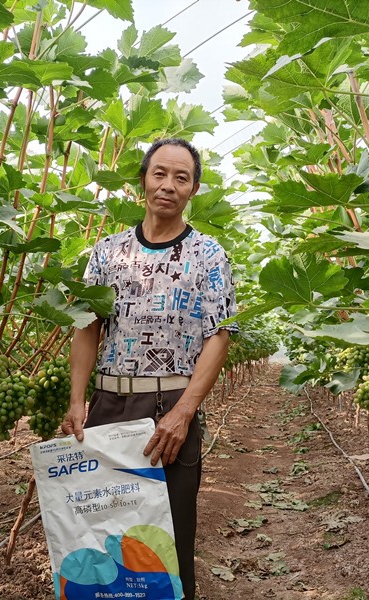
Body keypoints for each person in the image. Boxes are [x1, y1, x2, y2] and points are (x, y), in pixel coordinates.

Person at [60, 138, 238, 599]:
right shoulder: (107, 252)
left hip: (168, 410)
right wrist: (78, 400)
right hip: (107, 405)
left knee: (168, 536)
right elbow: (86, 327)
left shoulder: (209, 255)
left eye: (181, 177)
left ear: (193, 188)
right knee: (105, 529)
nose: (168, 186)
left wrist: (183, 413)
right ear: (143, 179)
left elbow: (218, 337)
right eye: (160, 173)